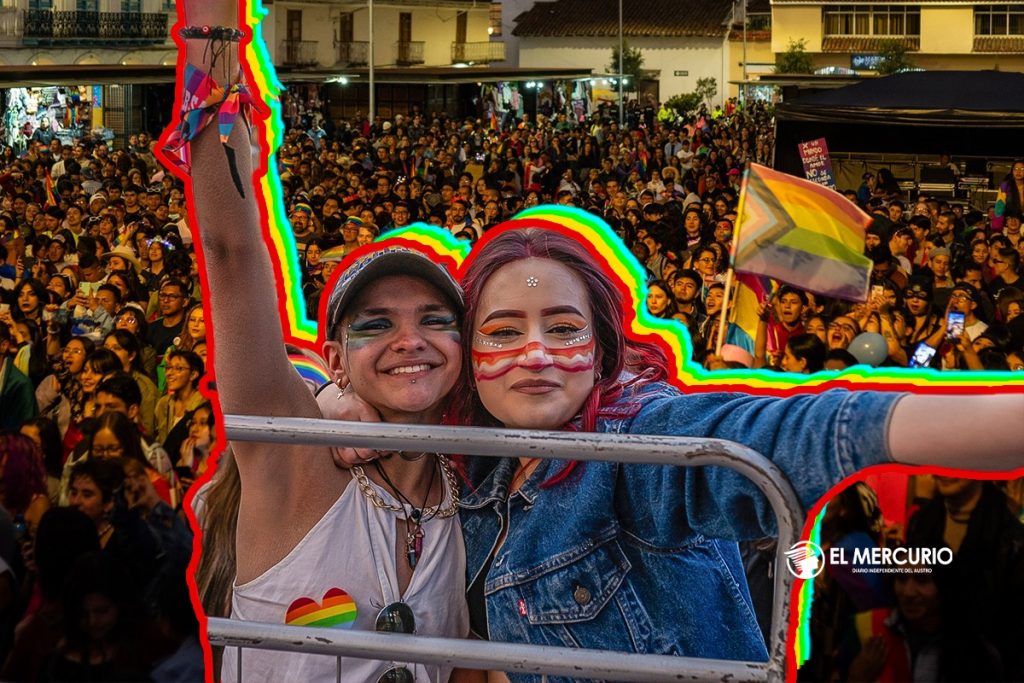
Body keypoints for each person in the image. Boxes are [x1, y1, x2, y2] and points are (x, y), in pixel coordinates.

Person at [439, 225, 1023, 680]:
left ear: (601, 352)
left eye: (565, 328)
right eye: (504, 331)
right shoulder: (471, 464)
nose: (535, 353)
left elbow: (799, 433)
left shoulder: (637, 441)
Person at [177, 3, 470, 680]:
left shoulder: (480, 488)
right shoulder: (293, 458)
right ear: (334, 358)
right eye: (376, 323)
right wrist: (214, 32)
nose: (410, 340)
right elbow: (229, 250)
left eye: (435, 319)